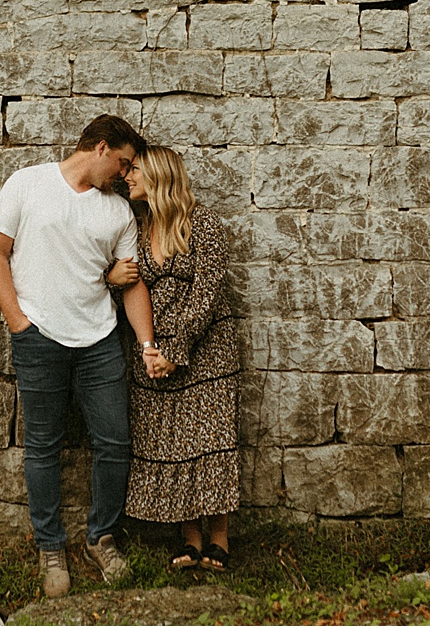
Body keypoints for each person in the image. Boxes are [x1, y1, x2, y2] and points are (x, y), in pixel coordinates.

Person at [0, 114, 168, 600]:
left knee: (115, 442)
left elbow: (132, 285)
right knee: (43, 446)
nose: (127, 177)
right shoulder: (28, 183)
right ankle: (50, 547)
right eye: (124, 164)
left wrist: (147, 344)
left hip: (100, 342)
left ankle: (101, 539)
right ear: (101, 148)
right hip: (39, 339)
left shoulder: (119, 213)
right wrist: (19, 324)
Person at [108, 145, 240, 573]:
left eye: (136, 171)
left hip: (206, 353)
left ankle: (218, 542)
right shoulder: (138, 230)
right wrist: (112, 279)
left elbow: (207, 294)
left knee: (209, 443)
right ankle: (190, 540)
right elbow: (126, 289)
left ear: (161, 176)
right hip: (153, 353)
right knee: (174, 445)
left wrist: (177, 351)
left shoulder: (202, 224)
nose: (127, 177)